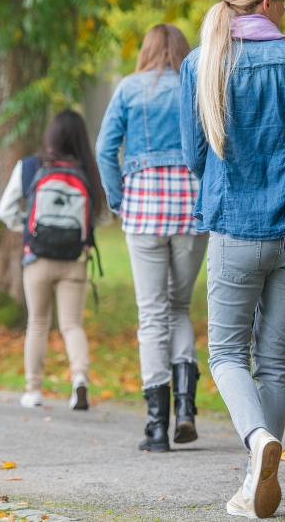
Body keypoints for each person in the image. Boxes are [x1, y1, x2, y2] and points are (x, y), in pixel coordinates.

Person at [180, 0, 285, 519]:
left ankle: (256, 444)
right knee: (273, 359)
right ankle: (256, 480)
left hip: (233, 227)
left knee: (226, 352)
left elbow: (195, 155)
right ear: (269, 3)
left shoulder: (201, 63)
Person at [95, 24, 208, 453]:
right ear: (181, 50)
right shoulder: (196, 87)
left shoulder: (129, 88)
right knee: (178, 306)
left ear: (144, 50)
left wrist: (119, 200)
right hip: (191, 209)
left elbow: (106, 149)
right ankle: (185, 411)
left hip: (143, 211)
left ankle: (156, 428)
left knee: (152, 313)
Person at [0, 110, 109, 411]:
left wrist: (30, 228)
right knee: (72, 324)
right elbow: (104, 216)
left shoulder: (30, 166)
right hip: (75, 259)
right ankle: (80, 381)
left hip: (37, 259)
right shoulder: (89, 170)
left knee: (37, 324)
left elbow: (4, 211)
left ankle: (34, 391)